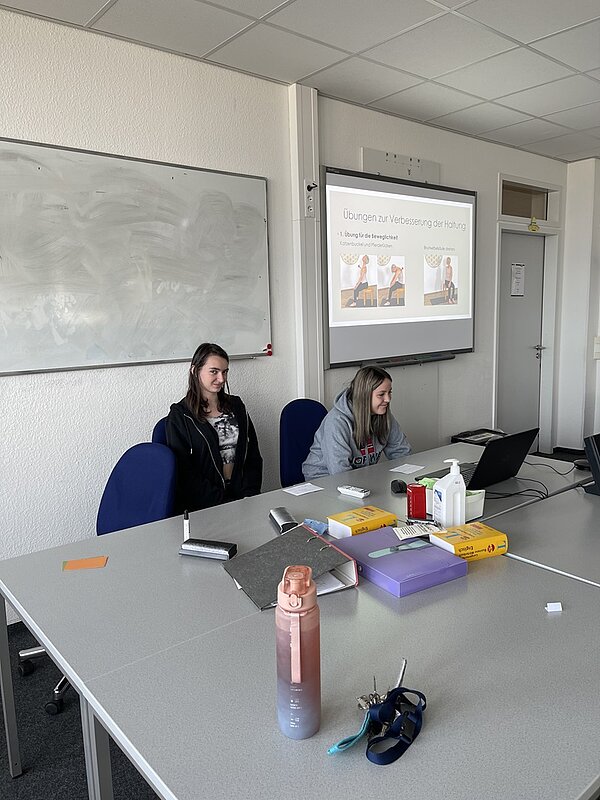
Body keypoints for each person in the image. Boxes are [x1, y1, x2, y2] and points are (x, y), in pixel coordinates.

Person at [166, 342, 263, 513]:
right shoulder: (180, 416)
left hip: (243, 501)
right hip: (204, 508)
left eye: (225, 372)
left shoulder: (237, 406)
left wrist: (250, 495)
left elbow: (252, 456)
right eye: (214, 372)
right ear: (195, 371)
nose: (222, 379)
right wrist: (223, 502)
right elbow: (185, 474)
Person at [302, 366, 411, 480]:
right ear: (364, 395)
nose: (388, 399)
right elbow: (340, 473)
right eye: (381, 394)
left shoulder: (383, 415)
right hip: (324, 481)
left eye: (389, 392)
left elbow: (402, 453)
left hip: (360, 478)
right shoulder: (336, 422)